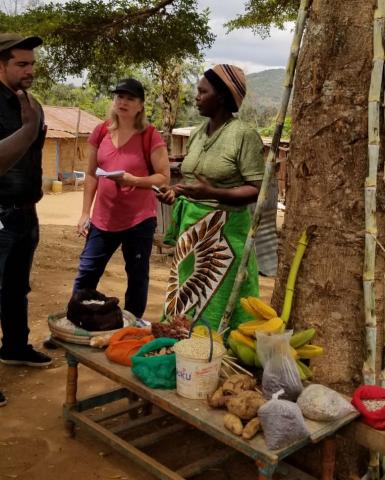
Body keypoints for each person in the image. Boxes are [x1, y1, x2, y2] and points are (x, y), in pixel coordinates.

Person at [158, 64, 265, 332]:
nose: (196, 96)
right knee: (188, 288)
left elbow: (256, 190)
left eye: (202, 91)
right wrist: (175, 192)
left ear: (221, 96)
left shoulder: (243, 136)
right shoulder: (196, 133)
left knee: (222, 292)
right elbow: (192, 181)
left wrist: (213, 193)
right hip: (191, 232)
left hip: (225, 235)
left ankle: (219, 348)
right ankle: (183, 341)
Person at [72, 78, 170, 319]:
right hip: (103, 219)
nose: (123, 102)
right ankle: (75, 320)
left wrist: (134, 181)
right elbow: (92, 174)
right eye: (119, 96)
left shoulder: (150, 135)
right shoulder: (101, 131)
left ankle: (132, 327)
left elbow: (163, 177)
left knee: (136, 276)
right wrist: (86, 213)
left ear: (140, 106)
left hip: (139, 220)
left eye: (130, 98)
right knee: (87, 272)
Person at [0, 33, 52, 407]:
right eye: (21, 64)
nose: (30, 70)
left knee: (17, 287)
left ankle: (15, 346)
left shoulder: (32, 104)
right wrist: (28, 129)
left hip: (25, 212)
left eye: (32, 63)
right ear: (0, 65)